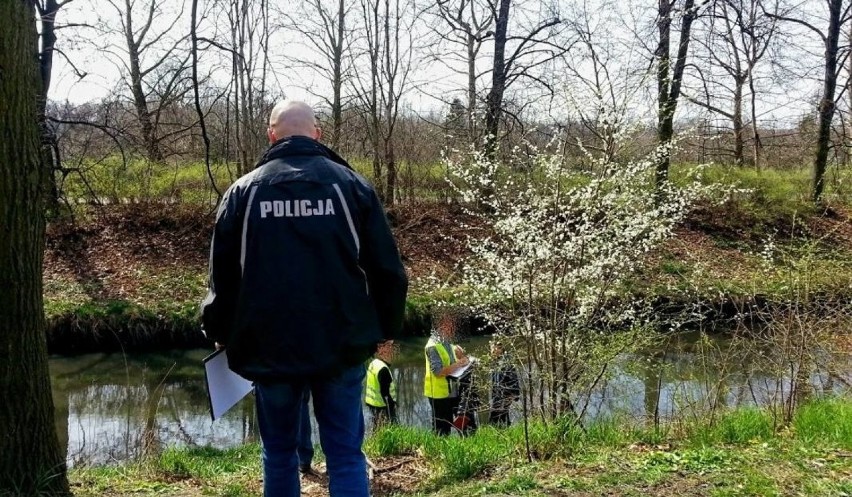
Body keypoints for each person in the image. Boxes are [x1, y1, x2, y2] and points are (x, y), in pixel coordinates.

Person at [200, 99, 408, 497]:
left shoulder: (242, 192)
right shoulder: (353, 187)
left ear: (271, 135)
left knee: (278, 454)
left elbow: (222, 279)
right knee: (346, 454)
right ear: (317, 134)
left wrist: (220, 331)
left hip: (269, 346)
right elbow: (388, 272)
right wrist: (386, 329)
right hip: (343, 343)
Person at [423, 311, 471, 435]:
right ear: (442, 326)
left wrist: (459, 354)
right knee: (441, 427)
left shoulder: (446, 341)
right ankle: (439, 451)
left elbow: (451, 356)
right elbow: (438, 372)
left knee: (462, 419)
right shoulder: (432, 346)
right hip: (438, 394)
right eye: (450, 325)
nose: (453, 328)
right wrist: (459, 364)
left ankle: (465, 442)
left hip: (452, 390)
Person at [365, 339, 398, 428]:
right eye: (388, 346)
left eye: (391, 345)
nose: (391, 349)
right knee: (390, 429)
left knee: (377, 429)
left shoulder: (373, 363)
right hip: (382, 406)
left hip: (372, 404)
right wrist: (391, 407)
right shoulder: (383, 369)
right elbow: (385, 393)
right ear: (380, 349)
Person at [488, 339, 520, 427]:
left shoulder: (506, 361)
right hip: (497, 394)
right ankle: (505, 429)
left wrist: (514, 394)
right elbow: (494, 382)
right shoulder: (494, 362)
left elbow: (514, 377)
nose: (495, 350)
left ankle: (500, 430)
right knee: (502, 416)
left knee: (495, 418)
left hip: (505, 394)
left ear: (502, 349)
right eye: (493, 348)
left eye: (498, 348)